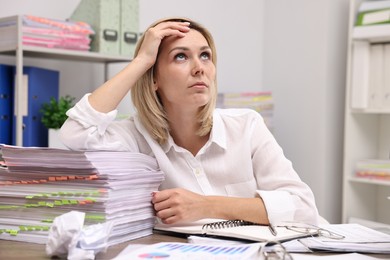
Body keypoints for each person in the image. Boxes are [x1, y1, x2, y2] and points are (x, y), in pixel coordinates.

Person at [60, 17, 319, 226]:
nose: (199, 68)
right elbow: (76, 133)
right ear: (153, 79)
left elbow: (303, 207)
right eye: (181, 57)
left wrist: (206, 205)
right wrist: (141, 61)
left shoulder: (247, 126)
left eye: (205, 55)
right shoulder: (136, 137)